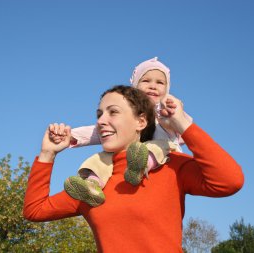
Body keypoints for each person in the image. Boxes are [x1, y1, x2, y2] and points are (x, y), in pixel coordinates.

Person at [23, 85, 244, 252]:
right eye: (99, 114)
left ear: (141, 122)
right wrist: (47, 154)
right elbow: (35, 210)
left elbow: (229, 181)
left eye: (113, 112)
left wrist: (182, 123)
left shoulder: (170, 166)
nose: (101, 121)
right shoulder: (92, 185)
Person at [53, 57, 192, 207]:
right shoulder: (126, 114)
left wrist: (174, 112)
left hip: (165, 161)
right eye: (146, 81)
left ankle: (141, 165)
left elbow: (186, 126)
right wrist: (71, 136)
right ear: (135, 86)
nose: (153, 86)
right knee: (104, 156)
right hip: (130, 165)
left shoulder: (166, 111)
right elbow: (99, 130)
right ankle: (92, 185)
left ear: (167, 88)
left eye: (160, 82)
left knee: (159, 145)